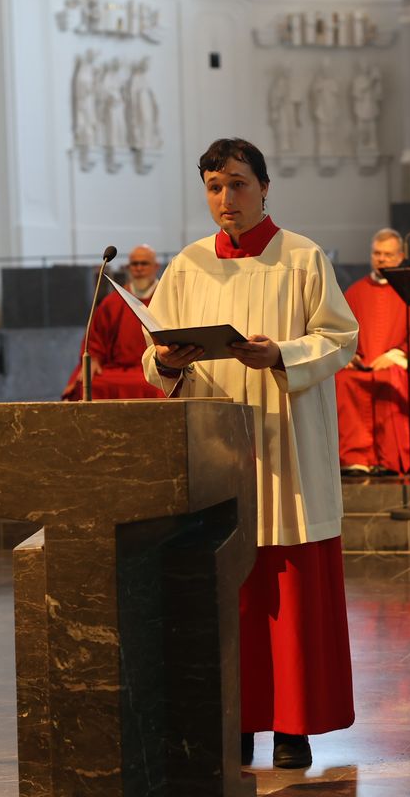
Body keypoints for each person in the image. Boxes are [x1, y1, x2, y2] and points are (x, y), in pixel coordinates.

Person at [143, 138, 358, 770]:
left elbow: (341, 337)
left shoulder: (302, 257)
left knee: (289, 593)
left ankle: (293, 727)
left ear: (265, 187)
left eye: (237, 184)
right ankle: (232, 721)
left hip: (286, 445)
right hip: (217, 447)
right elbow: (156, 355)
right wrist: (167, 359)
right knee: (225, 592)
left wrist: (282, 355)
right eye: (214, 187)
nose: (225, 199)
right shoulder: (187, 266)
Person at [335, 229, 410, 476]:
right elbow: (342, 331)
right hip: (362, 366)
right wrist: (350, 355)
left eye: (387, 254)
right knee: (343, 381)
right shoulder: (354, 292)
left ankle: (390, 459)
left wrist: (395, 355)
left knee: (391, 380)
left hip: (398, 365)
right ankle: (355, 459)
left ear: (400, 257)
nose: (381, 259)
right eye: (377, 253)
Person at [62, 245, 164, 400]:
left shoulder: (166, 298)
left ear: (156, 266)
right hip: (117, 370)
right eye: (134, 264)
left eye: (144, 263)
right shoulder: (114, 301)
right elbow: (96, 337)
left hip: (156, 368)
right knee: (89, 385)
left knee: (161, 387)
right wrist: (94, 359)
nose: (139, 268)